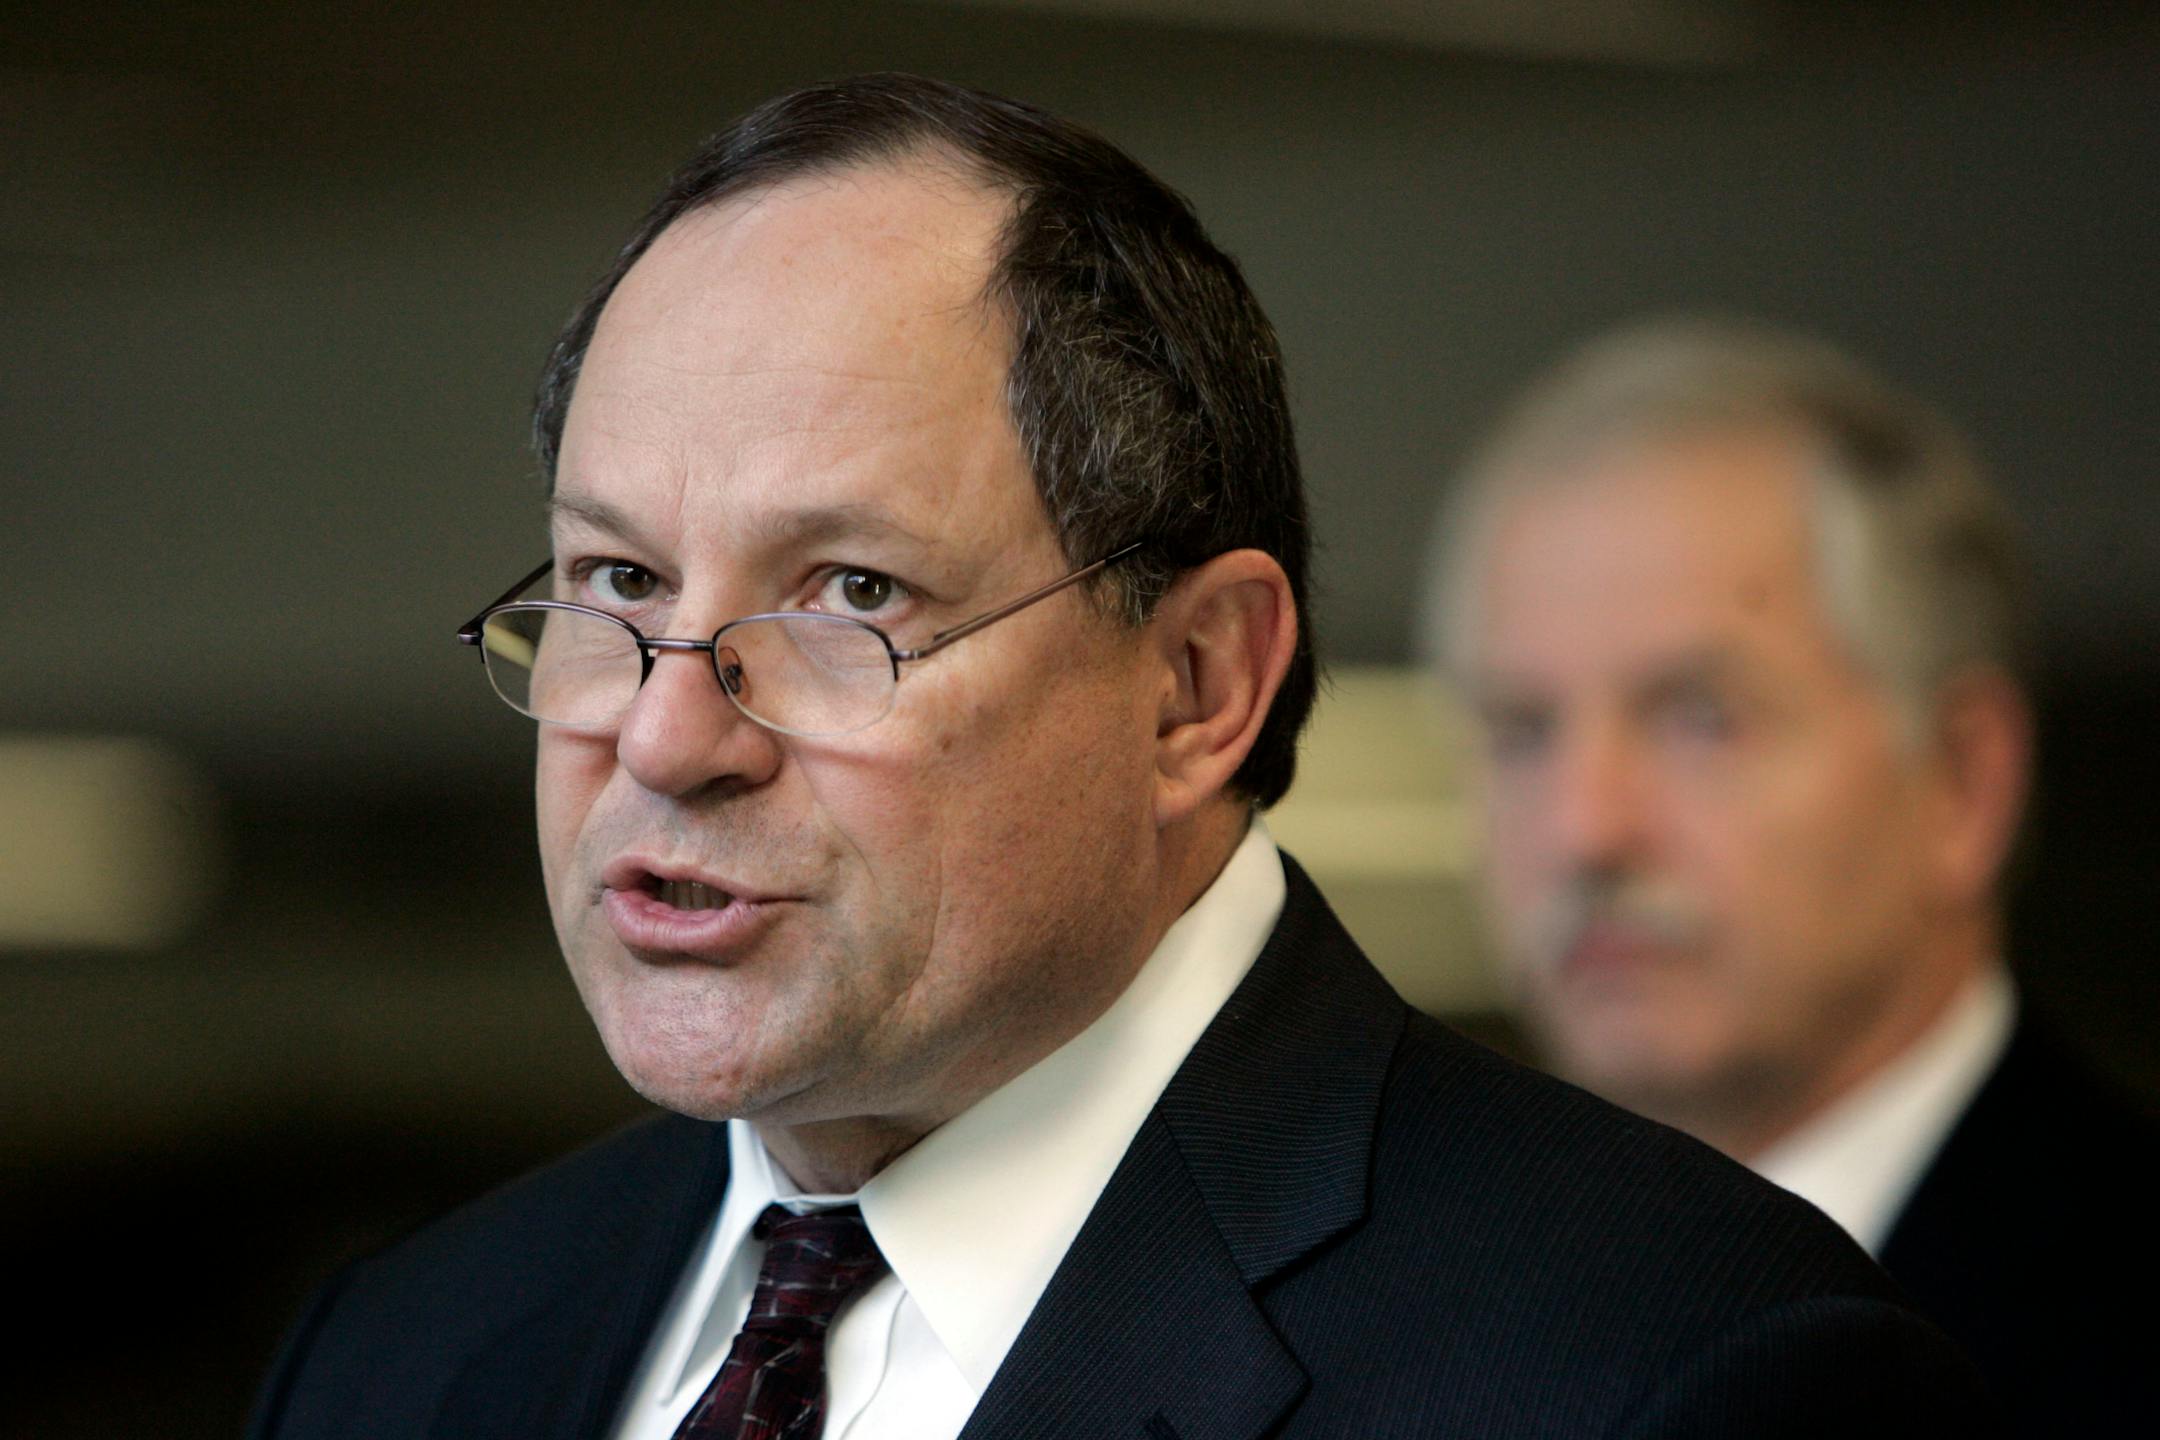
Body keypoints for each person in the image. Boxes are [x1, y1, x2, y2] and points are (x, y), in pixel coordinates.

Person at [251, 80, 1988, 1439]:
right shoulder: (408, 1350)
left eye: (851, 594)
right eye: (616, 581)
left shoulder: (1673, 1377)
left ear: (1194, 683)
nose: (667, 729)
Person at [1428, 316, 2157, 1431]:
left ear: (1964, 781)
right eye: (1523, 731)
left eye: (1701, 718)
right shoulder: (1423, 1323)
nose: (1584, 830)